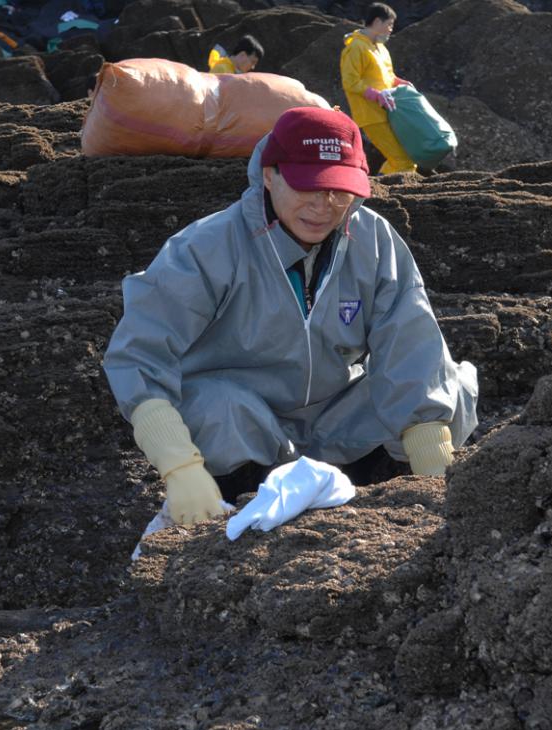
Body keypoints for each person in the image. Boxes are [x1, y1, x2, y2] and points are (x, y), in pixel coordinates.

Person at [103, 107, 478, 526]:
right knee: (215, 405)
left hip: (335, 421)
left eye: (339, 190)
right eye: (308, 187)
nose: (324, 206)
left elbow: (411, 344)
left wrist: (436, 485)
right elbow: (139, 355)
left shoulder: (373, 239)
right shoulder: (206, 248)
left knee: (452, 385)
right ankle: (225, 496)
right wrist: (178, 465)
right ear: (269, 174)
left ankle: (393, 491)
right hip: (242, 432)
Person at [340, 2, 415, 175]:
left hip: (390, 111)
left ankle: (379, 185)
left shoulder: (381, 48)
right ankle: (385, 195)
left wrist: (400, 82)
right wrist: (376, 95)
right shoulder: (355, 47)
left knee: (404, 158)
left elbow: (388, 76)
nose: (390, 29)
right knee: (403, 161)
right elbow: (350, 82)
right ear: (377, 22)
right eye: (389, 24)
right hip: (371, 116)